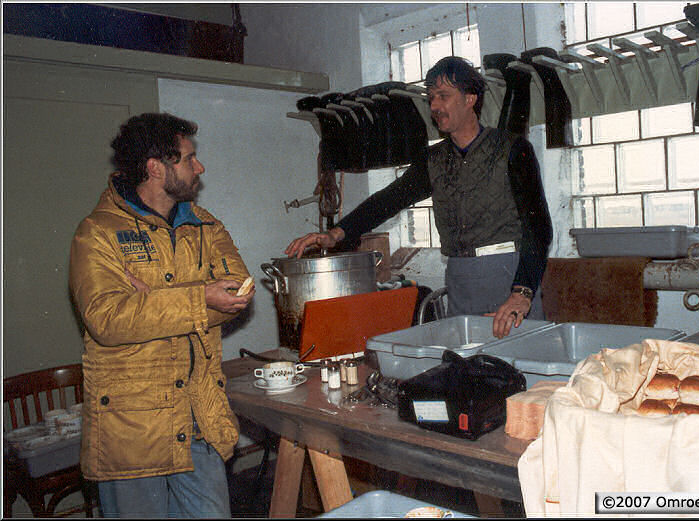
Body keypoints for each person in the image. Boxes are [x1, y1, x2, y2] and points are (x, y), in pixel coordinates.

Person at [286, 56, 552, 338]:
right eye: (431, 97)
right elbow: (389, 199)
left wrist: (522, 292)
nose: (434, 106)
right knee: (467, 369)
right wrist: (337, 234)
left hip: (508, 272)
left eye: (443, 96)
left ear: (470, 98)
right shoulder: (434, 159)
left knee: (523, 363)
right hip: (460, 276)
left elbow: (538, 227)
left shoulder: (511, 149)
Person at [69, 113, 255, 517]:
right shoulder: (97, 234)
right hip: (132, 428)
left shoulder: (206, 227)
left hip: (197, 414)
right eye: (189, 158)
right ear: (156, 168)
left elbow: (238, 292)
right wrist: (199, 296)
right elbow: (108, 320)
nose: (199, 167)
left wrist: (153, 298)